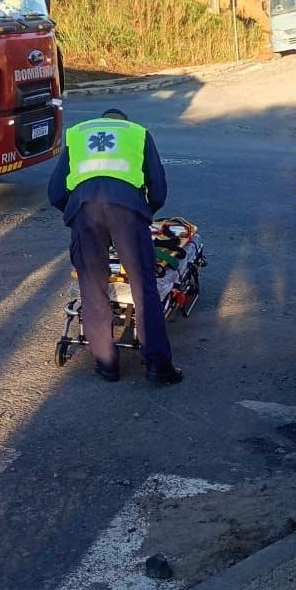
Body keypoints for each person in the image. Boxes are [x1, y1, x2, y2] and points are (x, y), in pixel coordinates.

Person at [48, 108, 182, 385]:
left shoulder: (77, 134)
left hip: (84, 210)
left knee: (92, 287)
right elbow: (158, 189)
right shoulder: (138, 134)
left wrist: (75, 213)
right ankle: (158, 366)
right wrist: (143, 214)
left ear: (102, 121)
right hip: (127, 210)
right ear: (124, 123)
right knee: (144, 287)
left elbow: (55, 192)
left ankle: (107, 365)